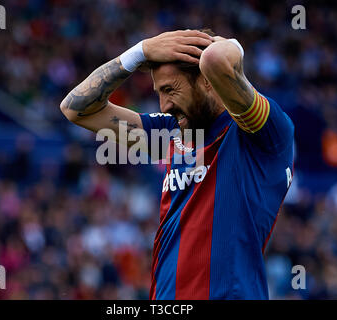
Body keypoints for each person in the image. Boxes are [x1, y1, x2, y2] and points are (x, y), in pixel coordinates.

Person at [60, 29, 295, 299]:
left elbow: (216, 59)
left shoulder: (262, 133)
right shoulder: (173, 132)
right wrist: (140, 52)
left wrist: (225, 46)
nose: (163, 104)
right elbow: (75, 108)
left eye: (170, 89)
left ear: (207, 82)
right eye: (159, 92)